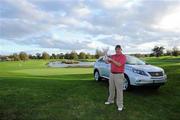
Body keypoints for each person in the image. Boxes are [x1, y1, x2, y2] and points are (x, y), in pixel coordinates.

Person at [105, 45, 126, 111]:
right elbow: (108, 62)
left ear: (121, 49)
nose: (117, 50)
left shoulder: (123, 56)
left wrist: (111, 60)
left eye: (118, 49)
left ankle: (120, 105)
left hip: (119, 75)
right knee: (111, 88)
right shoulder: (113, 56)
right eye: (116, 49)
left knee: (119, 90)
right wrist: (106, 59)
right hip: (112, 74)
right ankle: (110, 100)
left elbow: (119, 64)